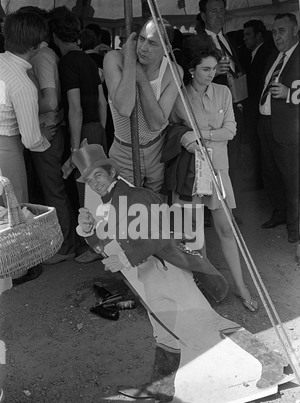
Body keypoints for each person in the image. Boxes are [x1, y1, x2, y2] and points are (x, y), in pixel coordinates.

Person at [73, 143, 285, 402]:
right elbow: (104, 246)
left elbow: (160, 233)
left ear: (111, 171)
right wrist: (88, 230)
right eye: (89, 179)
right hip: (146, 279)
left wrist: (125, 257)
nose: (94, 182)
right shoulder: (104, 204)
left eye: (98, 175)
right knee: (163, 333)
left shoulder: (134, 196)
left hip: (166, 272)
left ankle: (270, 362)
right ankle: (162, 388)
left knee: (209, 322)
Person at [165, 43, 259, 313]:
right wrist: (187, 137)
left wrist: (201, 134)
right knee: (195, 235)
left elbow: (231, 130)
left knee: (226, 230)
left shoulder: (224, 92)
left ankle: (241, 287)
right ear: (192, 70)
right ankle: (206, 286)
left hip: (218, 169)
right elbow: (173, 129)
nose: (211, 73)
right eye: (205, 69)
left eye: (214, 68)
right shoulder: (179, 97)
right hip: (191, 172)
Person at [17, 6, 77, 265]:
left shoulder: (42, 56)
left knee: (54, 192)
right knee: (55, 190)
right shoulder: (47, 54)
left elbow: (50, 101)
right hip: (51, 129)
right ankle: (65, 242)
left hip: (47, 131)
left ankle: (66, 246)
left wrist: (24, 107)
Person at [0, 10, 57, 283]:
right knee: (14, 207)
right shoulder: (23, 83)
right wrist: (50, 144)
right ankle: (17, 269)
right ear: (35, 46)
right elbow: (31, 139)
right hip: (7, 148)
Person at [48, 8, 108, 263]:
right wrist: (100, 132)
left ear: (54, 35)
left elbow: (75, 108)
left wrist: (75, 150)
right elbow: (103, 101)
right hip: (96, 129)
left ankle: (96, 247)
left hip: (81, 131)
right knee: (102, 189)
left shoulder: (67, 63)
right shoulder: (87, 60)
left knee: (86, 192)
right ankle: (101, 243)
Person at [103, 17, 183, 193]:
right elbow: (124, 108)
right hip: (123, 151)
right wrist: (131, 62)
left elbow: (156, 124)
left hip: (156, 150)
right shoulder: (114, 58)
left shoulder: (173, 70)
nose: (143, 48)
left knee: (154, 209)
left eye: (153, 43)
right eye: (141, 39)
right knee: (124, 212)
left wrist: (140, 76)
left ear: (166, 48)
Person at [197, 0, 247, 224]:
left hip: (233, 106)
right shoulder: (198, 41)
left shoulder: (227, 39)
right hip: (211, 112)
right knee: (213, 163)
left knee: (230, 161)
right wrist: (216, 72)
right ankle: (212, 212)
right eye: (213, 11)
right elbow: (194, 77)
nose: (219, 15)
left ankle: (227, 210)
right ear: (203, 15)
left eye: (221, 10)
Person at [258, 13, 299, 244]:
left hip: (289, 128)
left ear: (295, 30)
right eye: (273, 32)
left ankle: (296, 229)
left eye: (281, 30)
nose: (277, 36)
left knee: (292, 180)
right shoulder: (274, 56)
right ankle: (279, 214)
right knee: (271, 175)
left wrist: (289, 93)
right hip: (266, 125)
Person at [242, 19, 274, 190]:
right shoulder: (253, 55)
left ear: (259, 36)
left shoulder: (265, 55)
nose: (244, 39)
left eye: (248, 35)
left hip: (258, 112)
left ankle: (258, 182)